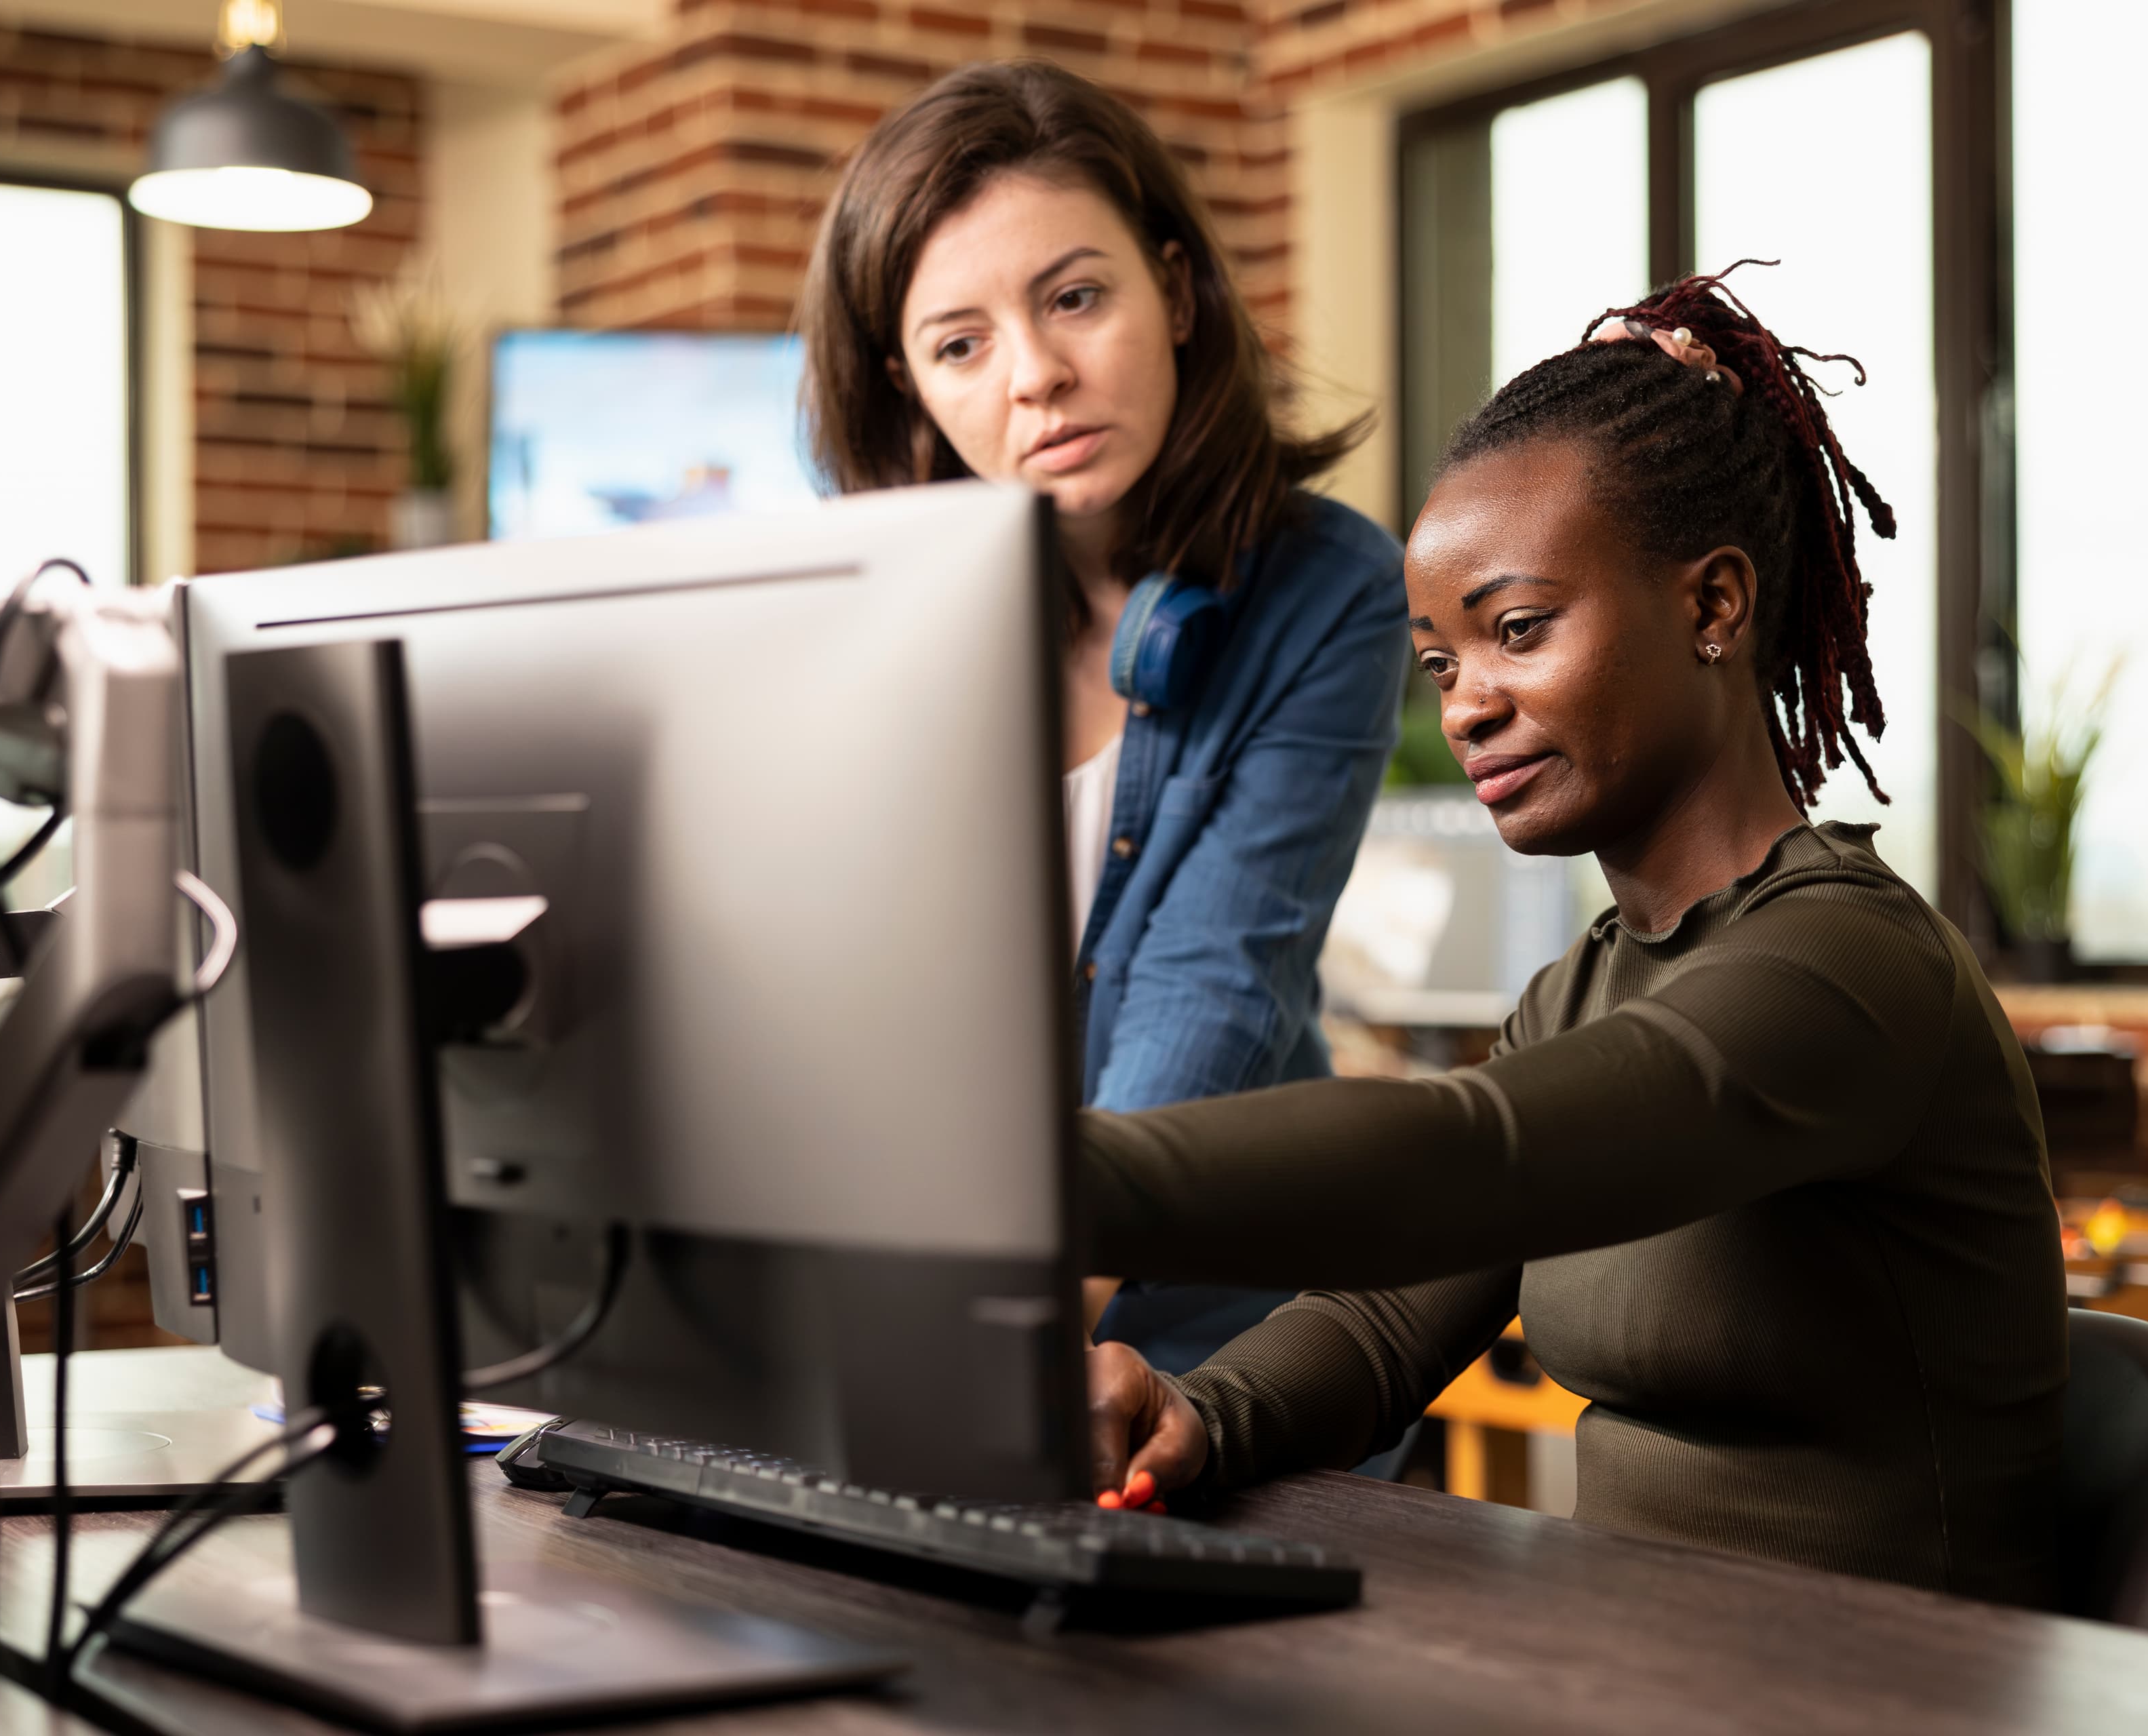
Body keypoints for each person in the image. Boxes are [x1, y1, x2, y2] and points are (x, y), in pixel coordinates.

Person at [1075, 270, 2069, 1609]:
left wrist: (1033, 1182)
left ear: (1713, 607)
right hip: (1644, 1665)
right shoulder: (1583, 988)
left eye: (1519, 631)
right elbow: (1385, 1314)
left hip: (1891, 1689)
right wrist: (1202, 1413)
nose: (1467, 706)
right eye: (1443, 662)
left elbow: (1475, 1156)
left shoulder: (1849, 965)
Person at [799, 62, 1410, 1378]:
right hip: (923, 1313)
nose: (1037, 377)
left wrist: (1009, 1338)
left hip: (1216, 1336)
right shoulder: (868, 618)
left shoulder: (1330, 588)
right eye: (960, 345)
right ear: (909, 388)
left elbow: (1217, 980)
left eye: (1075, 297)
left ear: (1176, 293)